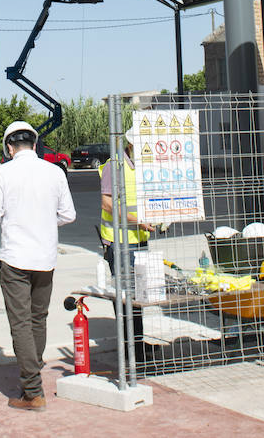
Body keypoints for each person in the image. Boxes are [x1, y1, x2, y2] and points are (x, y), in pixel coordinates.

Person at [0, 120, 76, 411]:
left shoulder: (3, 172)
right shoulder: (54, 172)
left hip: (15, 259)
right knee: (38, 318)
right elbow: (69, 215)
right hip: (45, 258)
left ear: (9, 148)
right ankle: (33, 371)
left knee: (20, 322)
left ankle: (33, 392)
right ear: (35, 145)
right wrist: (45, 220)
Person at [98, 127, 155, 359]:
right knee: (124, 297)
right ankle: (129, 349)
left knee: (138, 294)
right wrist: (137, 220)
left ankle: (137, 343)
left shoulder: (143, 167)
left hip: (139, 240)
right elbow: (107, 203)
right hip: (120, 242)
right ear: (131, 145)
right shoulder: (115, 166)